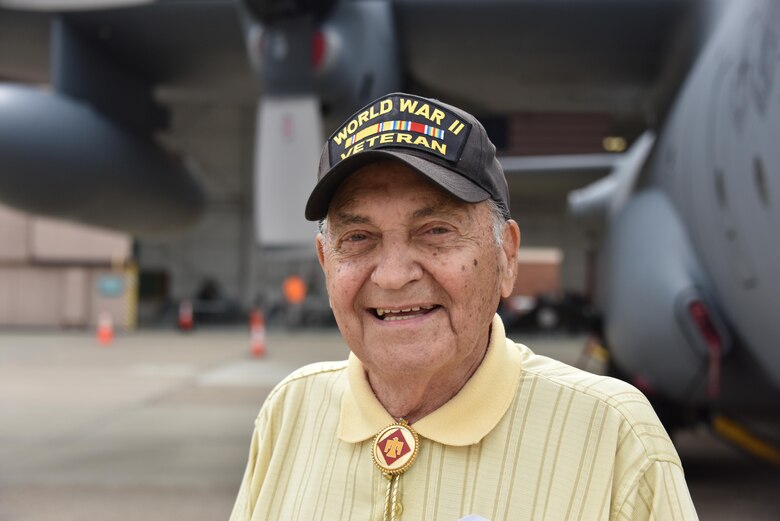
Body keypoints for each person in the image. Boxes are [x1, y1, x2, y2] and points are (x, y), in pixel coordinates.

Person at [229, 93, 699, 521]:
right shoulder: (289, 412)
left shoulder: (613, 437)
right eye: (358, 238)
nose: (393, 275)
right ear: (325, 262)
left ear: (506, 256)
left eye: (436, 230)